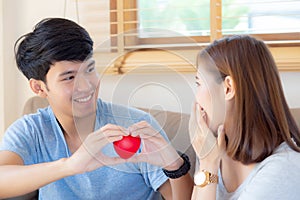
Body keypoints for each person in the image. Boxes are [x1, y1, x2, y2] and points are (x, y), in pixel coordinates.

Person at [0, 17, 193, 199]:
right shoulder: (31, 130)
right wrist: (70, 166)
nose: (86, 86)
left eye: (89, 69)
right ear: (39, 87)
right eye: (69, 77)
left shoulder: (133, 125)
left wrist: (175, 164)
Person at [189, 35, 300, 199]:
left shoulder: (283, 169)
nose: (196, 99)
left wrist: (207, 166)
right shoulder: (213, 148)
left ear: (228, 88)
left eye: (199, 84)